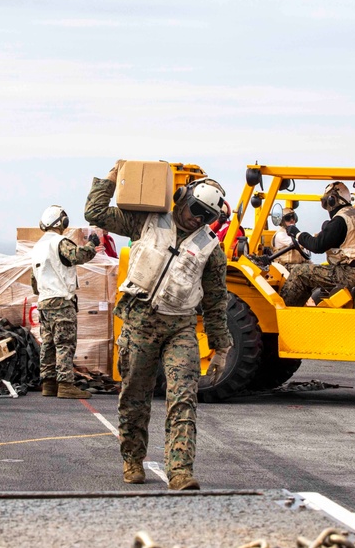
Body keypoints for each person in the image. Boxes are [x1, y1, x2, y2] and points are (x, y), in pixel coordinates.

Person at [85, 164, 233, 491]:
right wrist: (109, 180)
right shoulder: (146, 220)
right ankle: (132, 460)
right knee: (135, 395)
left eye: (208, 216)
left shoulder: (211, 249)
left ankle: (180, 471)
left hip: (179, 325)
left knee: (183, 396)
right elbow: (94, 212)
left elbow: (216, 300)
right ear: (182, 198)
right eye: (196, 210)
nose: (199, 219)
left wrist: (221, 347)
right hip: (140, 319)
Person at [30, 206, 99, 400]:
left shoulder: (37, 247)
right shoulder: (59, 242)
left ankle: (49, 383)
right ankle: (66, 384)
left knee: (49, 343)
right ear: (62, 222)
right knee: (65, 343)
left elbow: (34, 281)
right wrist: (91, 245)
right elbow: (77, 256)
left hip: (43, 301)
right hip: (61, 301)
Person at [279, 182, 355, 306]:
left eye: (326, 203)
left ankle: (279, 313)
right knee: (310, 272)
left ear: (332, 200)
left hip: (348, 273)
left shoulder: (340, 220)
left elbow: (317, 246)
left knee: (300, 272)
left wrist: (297, 233)